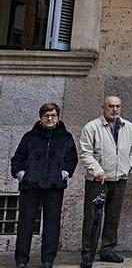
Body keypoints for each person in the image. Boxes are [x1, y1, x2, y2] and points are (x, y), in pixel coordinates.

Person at [12, 103, 77, 268]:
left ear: (58, 117)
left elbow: (72, 159)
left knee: (52, 223)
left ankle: (48, 260)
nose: (50, 118)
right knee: (25, 223)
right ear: (41, 117)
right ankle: (21, 260)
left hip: (54, 186)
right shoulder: (29, 137)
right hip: (30, 186)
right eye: (46, 115)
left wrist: (64, 173)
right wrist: (21, 175)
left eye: (53, 115)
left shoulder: (65, 137)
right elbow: (17, 159)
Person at [79, 95, 132, 268]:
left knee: (113, 217)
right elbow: (85, 153)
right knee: (92, 218)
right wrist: (97, 171)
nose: (114, 110)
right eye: (111, 106)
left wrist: (129, 166)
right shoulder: (92, 127)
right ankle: (87, 254)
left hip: (119, 179)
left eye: (118, 106)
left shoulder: (129, 127)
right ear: (103, 107)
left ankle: (107, 250)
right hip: (98, 181)